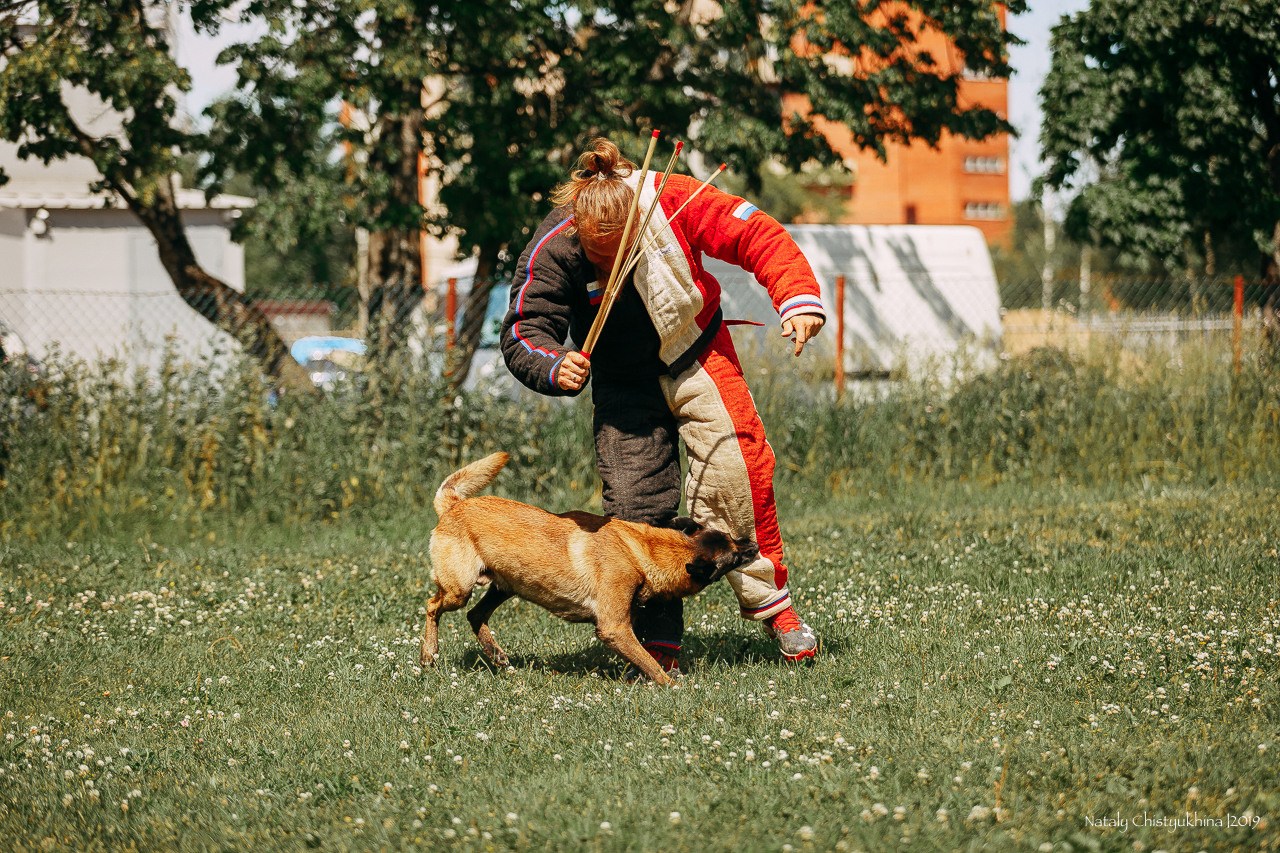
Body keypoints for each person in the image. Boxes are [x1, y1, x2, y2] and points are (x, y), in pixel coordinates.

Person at [499, 137, 826, 675]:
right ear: (577, 228)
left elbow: (755, 233)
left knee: (737, 468)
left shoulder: (673, 200)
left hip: (696, 353)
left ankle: (778, 612)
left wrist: (796, 298)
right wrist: (555, 365)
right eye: (597, 260)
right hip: (621, 384)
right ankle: (658, 643)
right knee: (634, 513)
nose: (607, 273)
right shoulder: (553, 243)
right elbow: (524, 330)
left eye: (619, 258)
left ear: (637, 226)